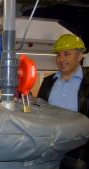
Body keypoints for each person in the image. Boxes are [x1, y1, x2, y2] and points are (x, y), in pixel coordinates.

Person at [37, 34, 89, 168]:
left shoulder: (88, 81)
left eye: (67, 54)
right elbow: (39, 112)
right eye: (58, 55)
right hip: (50, 147)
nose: (61, 59)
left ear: (79, 56)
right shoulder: (48, 82)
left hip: (80, 150)